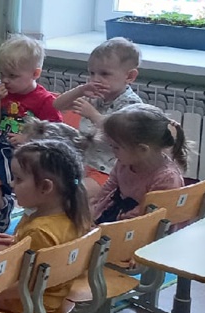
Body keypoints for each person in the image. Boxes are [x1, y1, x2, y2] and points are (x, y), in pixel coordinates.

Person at [0, 138, 93, 313]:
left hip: (32, 301)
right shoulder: (74, 214)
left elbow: (27, 286)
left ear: (45, 187)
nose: (12, 184)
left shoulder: (39, 231)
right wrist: (18, 243)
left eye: (19, 179)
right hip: (50, 290)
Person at [0, 34, 62, 232]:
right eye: (2, 74)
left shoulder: (44, 100)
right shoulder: (5, 94)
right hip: (0, 147)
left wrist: (28, 138)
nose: (5, 80)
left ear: (35, 73)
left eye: (12, 76)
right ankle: (3, 204)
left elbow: (55, 131)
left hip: (22, 154)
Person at [52, 37, 143, 195]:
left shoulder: (131, 103)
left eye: (104, 74)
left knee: (73, 194)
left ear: (129, 77)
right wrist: (80, 90)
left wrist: (93, 115)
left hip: (110, 172)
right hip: (82, 163)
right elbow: (57, 105)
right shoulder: (94, 95)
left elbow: (121, 133)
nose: (95, 79)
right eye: (92, 73)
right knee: (50, 183)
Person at [91, 104, 188, 222]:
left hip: (143, 226)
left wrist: (114, 222)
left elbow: (147, 214)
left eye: (116, 147)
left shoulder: (167, 178)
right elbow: (109, 188)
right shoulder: (123, 163)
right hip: (119, 217)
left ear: (142, 149)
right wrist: (94, 208)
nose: (112, 151)